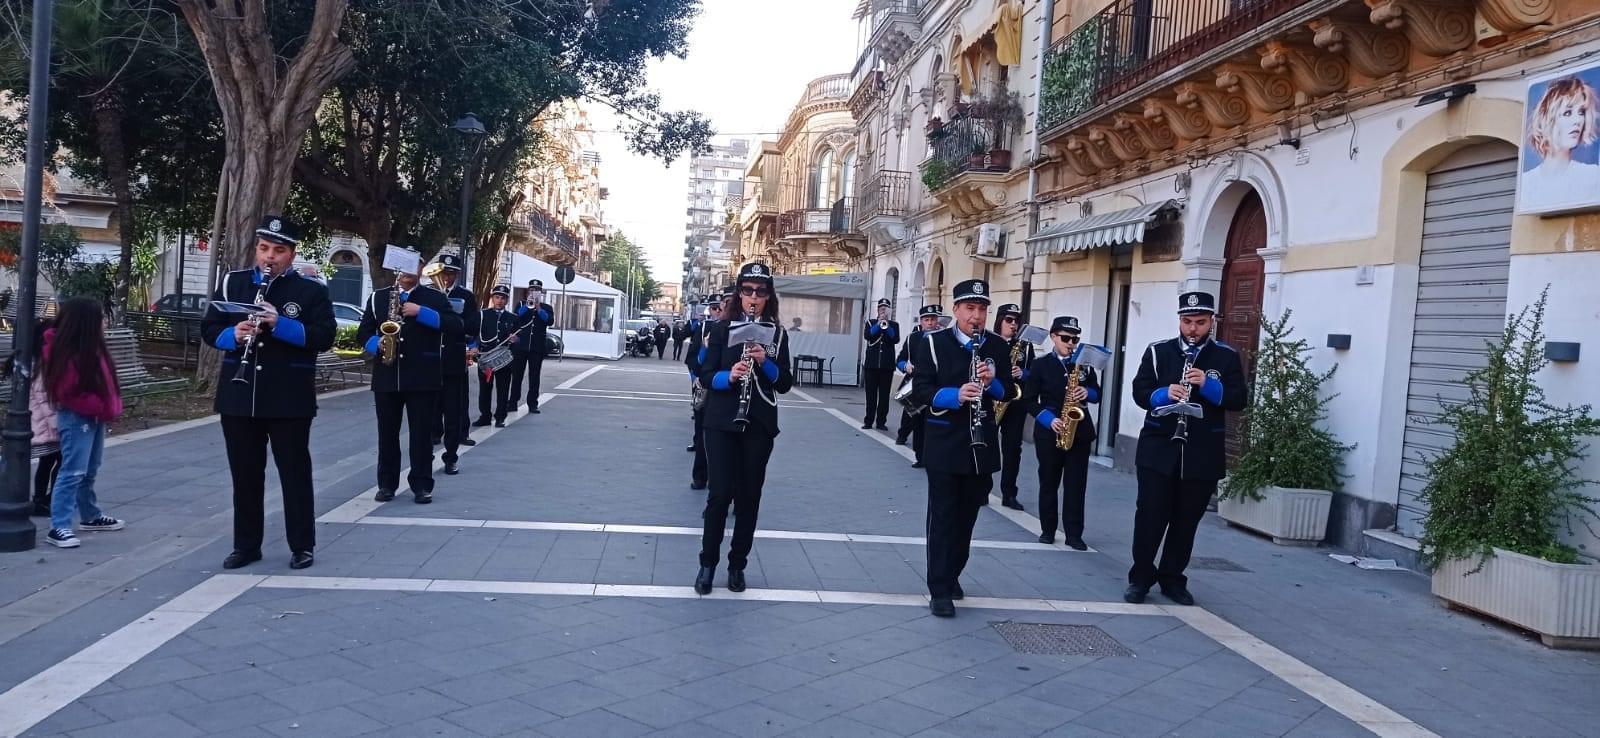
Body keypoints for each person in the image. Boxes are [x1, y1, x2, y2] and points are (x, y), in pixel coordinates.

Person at [203, 215, 338, 568]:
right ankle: (246, 546)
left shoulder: (311, 292)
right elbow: (209, 328)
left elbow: (324, 337)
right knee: (245, 475)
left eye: (278, 250)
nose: (269, 257)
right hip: (238, 395)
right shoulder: (233, 283)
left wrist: (280, 324)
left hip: (288, 397)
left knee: (294, 474)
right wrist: (233, 335)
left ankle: (302, 545)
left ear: (291, 254)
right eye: (264, 249)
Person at [1126, 291, 1247, 606]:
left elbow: (1238, 399)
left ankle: (1172, 579)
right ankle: (1140, 578)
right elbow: (1140, 392)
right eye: (1187, 321)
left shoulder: (1225, 356)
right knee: (1150, 516)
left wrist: (1207, 384)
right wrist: (1164, 393)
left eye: (1200, 322)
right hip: (1158, 449)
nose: (1193, 329)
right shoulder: (1158, 352)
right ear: (1179, 320)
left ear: (1212, 321)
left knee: (1186, 520)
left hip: (1202, 453)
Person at [910, 279, 1011, 617]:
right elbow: (920, 390)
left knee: (967, 517)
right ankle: (938, 588)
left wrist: (990, 382)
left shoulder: (996, 345)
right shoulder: (933, 343)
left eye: (982, 309)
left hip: (981, 447)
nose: (977, 316)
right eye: (970, 308)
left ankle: (952, 573)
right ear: (956, 310)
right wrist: (956, 395)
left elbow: (1009, 391)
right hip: (944, 443)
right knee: (942, 517)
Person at [694, 263, 793, 595]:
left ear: (769, 297)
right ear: (739, 294)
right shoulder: (720, 331)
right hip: (721, 420)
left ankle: (737, 565)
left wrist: (765, 361)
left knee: (749, 497)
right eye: (748, 290)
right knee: (719, 494)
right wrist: (730, 375)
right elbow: (705, 374)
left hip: (760, 424)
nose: (754, 297)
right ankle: (707, 564)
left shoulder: (778, 335)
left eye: (761, 292)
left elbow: (785, 385)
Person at [358, 249, 462, 504]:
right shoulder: (378, 298)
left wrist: (421, 312)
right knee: (387, 435)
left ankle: (422, 485)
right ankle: (386, 484)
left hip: (422, 376)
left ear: (421, 269)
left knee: (421, 435)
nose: (406, 271)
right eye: (401, 265)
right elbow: (363, 332)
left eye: (413, 265)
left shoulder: (433, 297)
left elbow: (455, 326)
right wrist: (376, 344)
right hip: (387, 376)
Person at [41, 297, 126, 549]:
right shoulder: (66, 351)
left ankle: (90, 515)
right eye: (101, 317)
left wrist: (107, 406)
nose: (105, 321)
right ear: (86, 323)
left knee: (90, 468)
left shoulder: (92, 348)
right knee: (73, 470)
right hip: (79, 416)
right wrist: (101, 406)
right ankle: (59, 526)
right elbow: (69, 391)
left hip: (96, 415)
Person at [1024, 316, 1100, 550]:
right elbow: (1029, 400)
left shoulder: (1084, 365)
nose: (1071, 344)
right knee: (1048, 481)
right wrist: (1049, 420)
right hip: (1050, 431)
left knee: (1076, 485)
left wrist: (1086, 392)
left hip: (1080, 432)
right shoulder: (1040, 364)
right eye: (1066, 338)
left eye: (1075, 339)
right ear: (1053, 337)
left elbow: (1098, 394)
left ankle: (1074, 534)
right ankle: (1048, 530)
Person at [428, 253, 480, 474]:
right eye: (443, 273)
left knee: (453, 412)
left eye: (451, 274)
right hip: (429, 361)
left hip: (454, 361)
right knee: (428, 412)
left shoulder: (465, 297)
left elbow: (471, 326)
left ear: (457, 275)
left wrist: (449, 320)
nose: (446, 278)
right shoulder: (427, 294)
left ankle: (450, 457)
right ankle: (426, 453)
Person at [1521, 76, 1600, 212]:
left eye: (1581, 112)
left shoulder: (1592, 176)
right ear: (1546, 120)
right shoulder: (1526, 183)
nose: (1578, 120)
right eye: (1568, 112)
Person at [993, 303, 1033, 511]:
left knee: (1012, 449)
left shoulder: (1025, 346)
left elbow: (1034, 373)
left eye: (1016, 320)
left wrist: (1023, 374)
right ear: (1000, 320)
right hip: (992, 400)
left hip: (1016, 403)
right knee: (986, 446)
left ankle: (1009, 493)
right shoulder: (988, 342)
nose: (1013, 324)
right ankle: (982, 489)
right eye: (1009, 320)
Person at [684, 293, 727, 488]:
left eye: (722, 307)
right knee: (703, 435)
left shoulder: (744, 330)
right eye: (717, 307)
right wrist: (697, 379)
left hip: (731, 391)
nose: (719, 311)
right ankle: (700, 477)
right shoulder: (705, 328)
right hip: (708, 389)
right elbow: (692, 359)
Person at [895, 304, 944, 468]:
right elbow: (900, 359)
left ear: (938, 321)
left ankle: (931, 455)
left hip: (936, 387)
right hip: (916, 385)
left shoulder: (944, 338)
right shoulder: (913, 338)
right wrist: (905, 367)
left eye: (933, 319)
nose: (930, 323)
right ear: (921, 321)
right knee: (916, 421)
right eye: (926, 320)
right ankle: (919, 456)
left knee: (932, 423)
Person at [474, 285, 520, 429]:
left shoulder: (513, 318)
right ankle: (485, 416)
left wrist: (516, 339)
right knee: (485, 388)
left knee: (503, 388)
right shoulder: (483, 315)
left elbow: (519, 339)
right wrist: (474, 346)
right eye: (497, 297)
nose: (499, 301)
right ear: (492, 298)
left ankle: (500, 417)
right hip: (486, 357)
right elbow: (475, 333)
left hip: (503, 359)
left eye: (503, 298)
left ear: (506, 300)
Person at [509, 280, 554, 414]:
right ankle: (513, 402)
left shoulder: (546, 307)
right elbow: (516, 318)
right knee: (517, 375)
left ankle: (533, 403)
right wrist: (528, 306)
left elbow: (549, 321)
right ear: (528, 291)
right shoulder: (522, 304)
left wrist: (538, 308)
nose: (534, 292)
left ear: (541, 292)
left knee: (534, 376)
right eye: (532, 290)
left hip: (537, 346)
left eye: (537, 290)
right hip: (520, 346)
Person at [861, 298, 900, 431]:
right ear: (877, 309)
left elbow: (895, 339)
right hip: (871, 365)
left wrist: (887, 325)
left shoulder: (894, 325)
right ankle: (868, 420)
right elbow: (868, 336)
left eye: (885, 308)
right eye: (881, 308)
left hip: (886, 366)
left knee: (884, 396)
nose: (883, 310)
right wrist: (879, 324)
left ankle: (881, 421)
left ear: (889, 310)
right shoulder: (870, 323)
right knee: (870, 395)